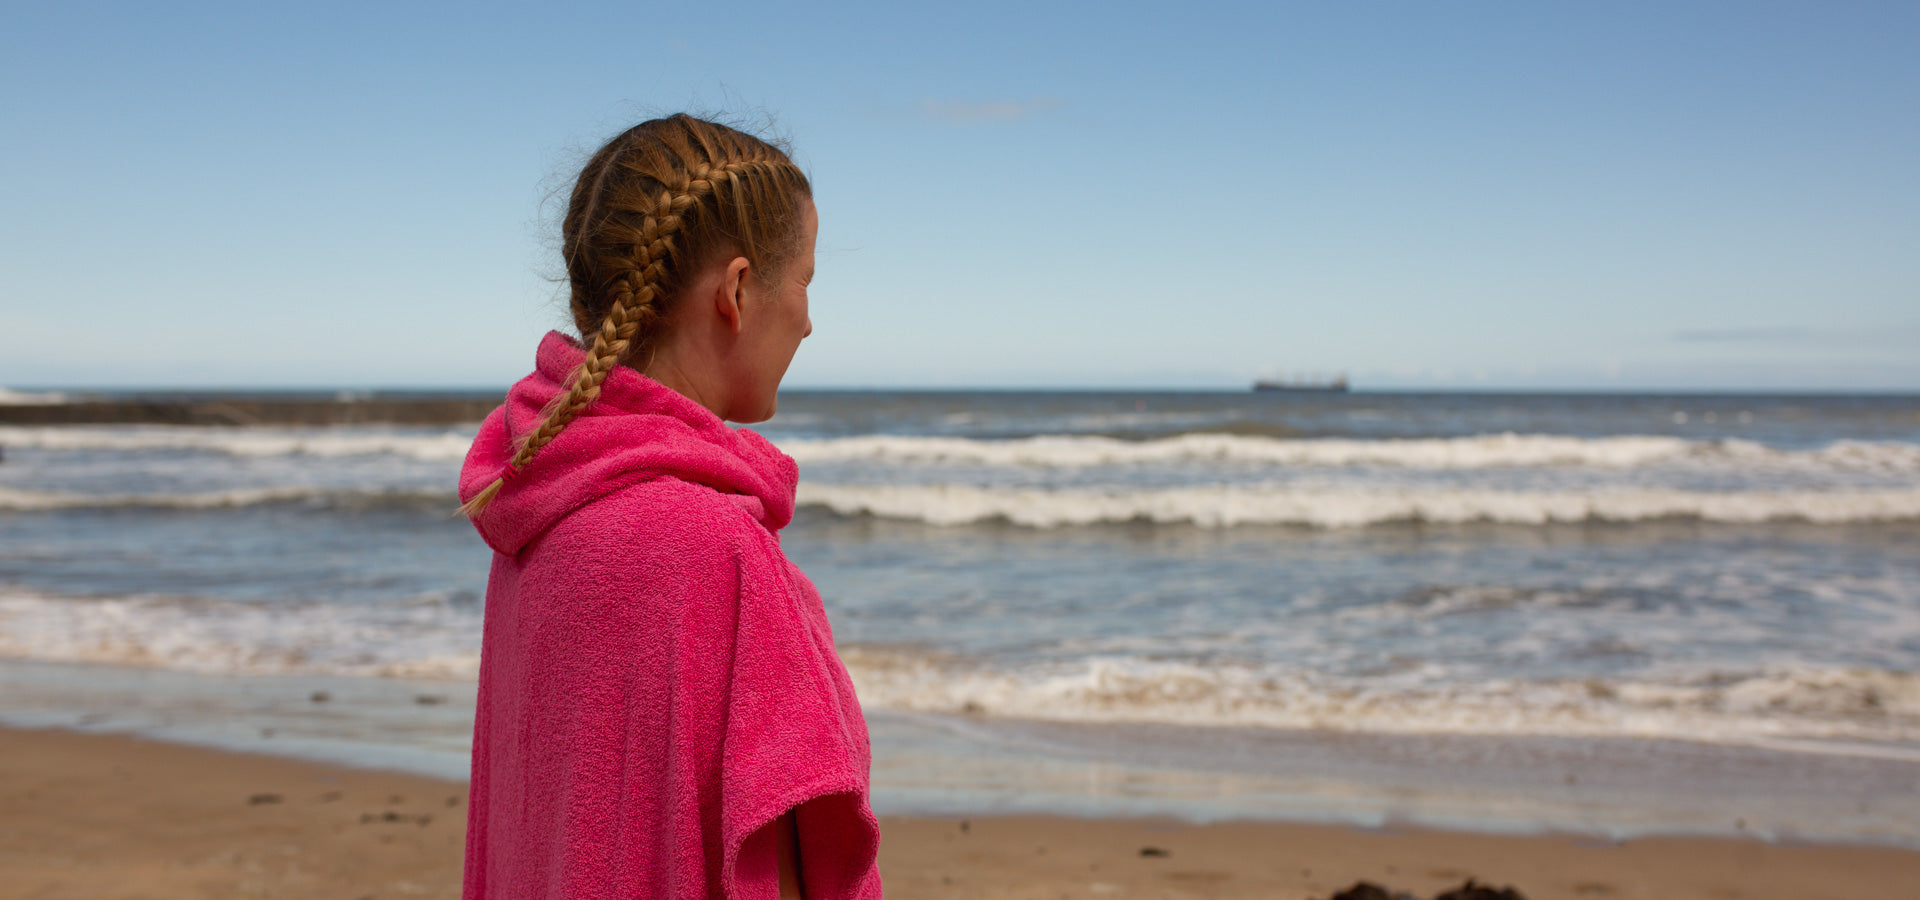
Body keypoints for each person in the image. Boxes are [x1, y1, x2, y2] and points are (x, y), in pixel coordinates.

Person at [457, 114, 881, 899]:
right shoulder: (714, 548)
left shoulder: (539, 504)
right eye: (807, 282)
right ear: (739, 289)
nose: (809, 320)